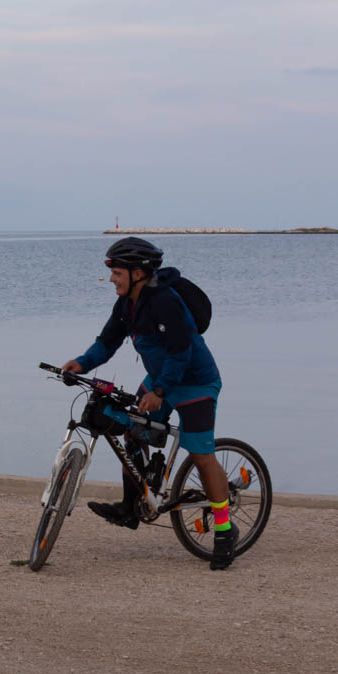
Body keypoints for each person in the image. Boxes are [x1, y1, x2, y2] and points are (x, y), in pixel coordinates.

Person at [62, 237, 235, 569]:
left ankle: (225, 530)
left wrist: (159, 392)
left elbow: (181, 352)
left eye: (117, 273)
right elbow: (107, 342)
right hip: (160, 380)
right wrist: (81, 363)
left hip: (195, 383)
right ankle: (131, 507)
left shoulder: (165, 301)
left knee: (201, 455)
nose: (111, 279)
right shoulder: (126, 304)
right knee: (132, 432)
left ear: (138, 273)